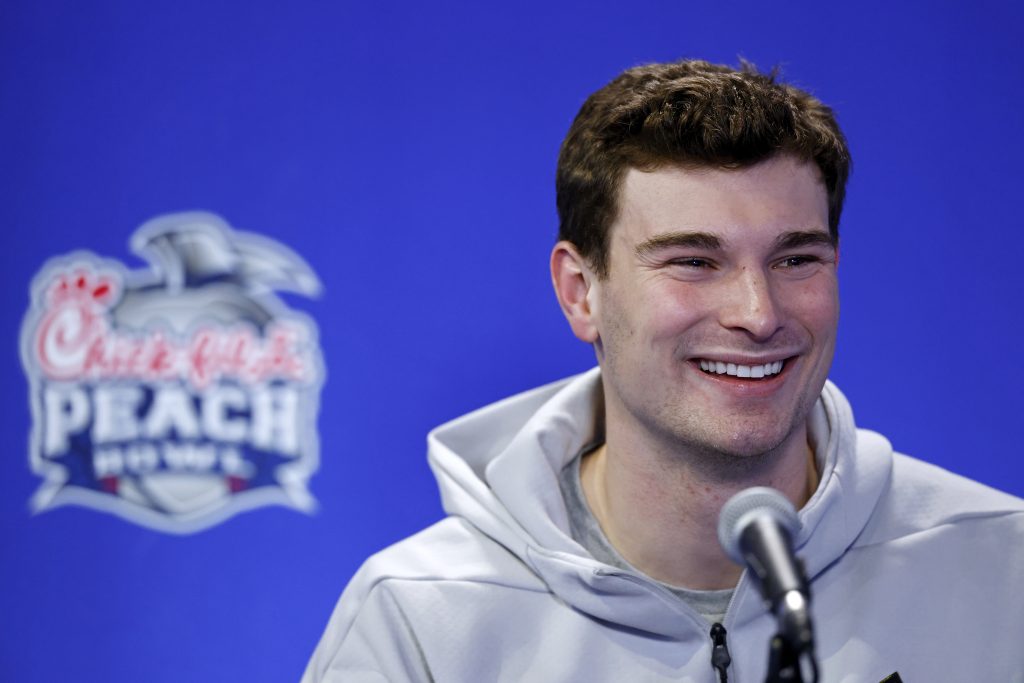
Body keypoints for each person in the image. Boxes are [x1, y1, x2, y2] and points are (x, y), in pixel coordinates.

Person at [302, 60, 1024, 682]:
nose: (757, 311)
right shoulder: (422, 620)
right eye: (694, 262)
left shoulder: (1002, 570)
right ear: (580, 292)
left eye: (796, 258)